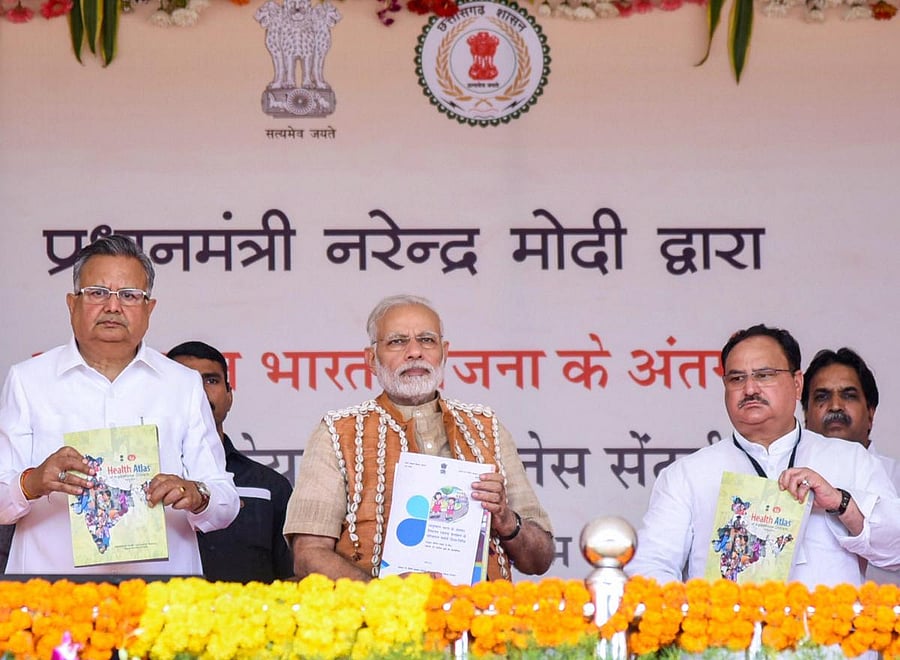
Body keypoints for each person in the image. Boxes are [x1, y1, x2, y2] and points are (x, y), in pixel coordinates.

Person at [0, 235, 239, 575]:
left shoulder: (182, 384)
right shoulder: (28, 381)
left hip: (161, 594)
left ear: (149, 308)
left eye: (129, 295)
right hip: (51, 593)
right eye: (97, 293)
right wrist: (32, 482)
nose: (113, 307)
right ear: (72, 303)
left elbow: (226, 502)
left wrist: (197, 494)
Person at [284, 294, 554, 581]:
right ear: (371, 359)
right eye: (397, 341)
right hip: (377, 610)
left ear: (444, 352)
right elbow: (308, 555)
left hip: (480, 607)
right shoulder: (338, 432)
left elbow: (539, 559)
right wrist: (386, 595)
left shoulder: (487, 428)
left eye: (426, 340)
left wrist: (506, 519)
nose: (414, 352)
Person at [627, 324, 899, 587]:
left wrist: (841, 503)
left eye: (764, 375)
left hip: (830, 619)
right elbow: (650, 567)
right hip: (726, 619)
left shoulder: (852, 460)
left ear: (797, 384)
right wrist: (698, 610)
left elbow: (895, 552)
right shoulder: (688, 475)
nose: (750, 389)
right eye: (737, 378)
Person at [168, 340, 294, 583]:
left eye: (210, 380)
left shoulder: (269, 486)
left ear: (229, 395)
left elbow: (291, 577)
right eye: (185, 381)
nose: (199, 391)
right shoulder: (141, 481)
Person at [801, 347, 900, 584]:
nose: (835, 406)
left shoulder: (896, 477)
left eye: (849, 395)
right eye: (822, 397)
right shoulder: (792, 481)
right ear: (805, 415)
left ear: (871, 413)